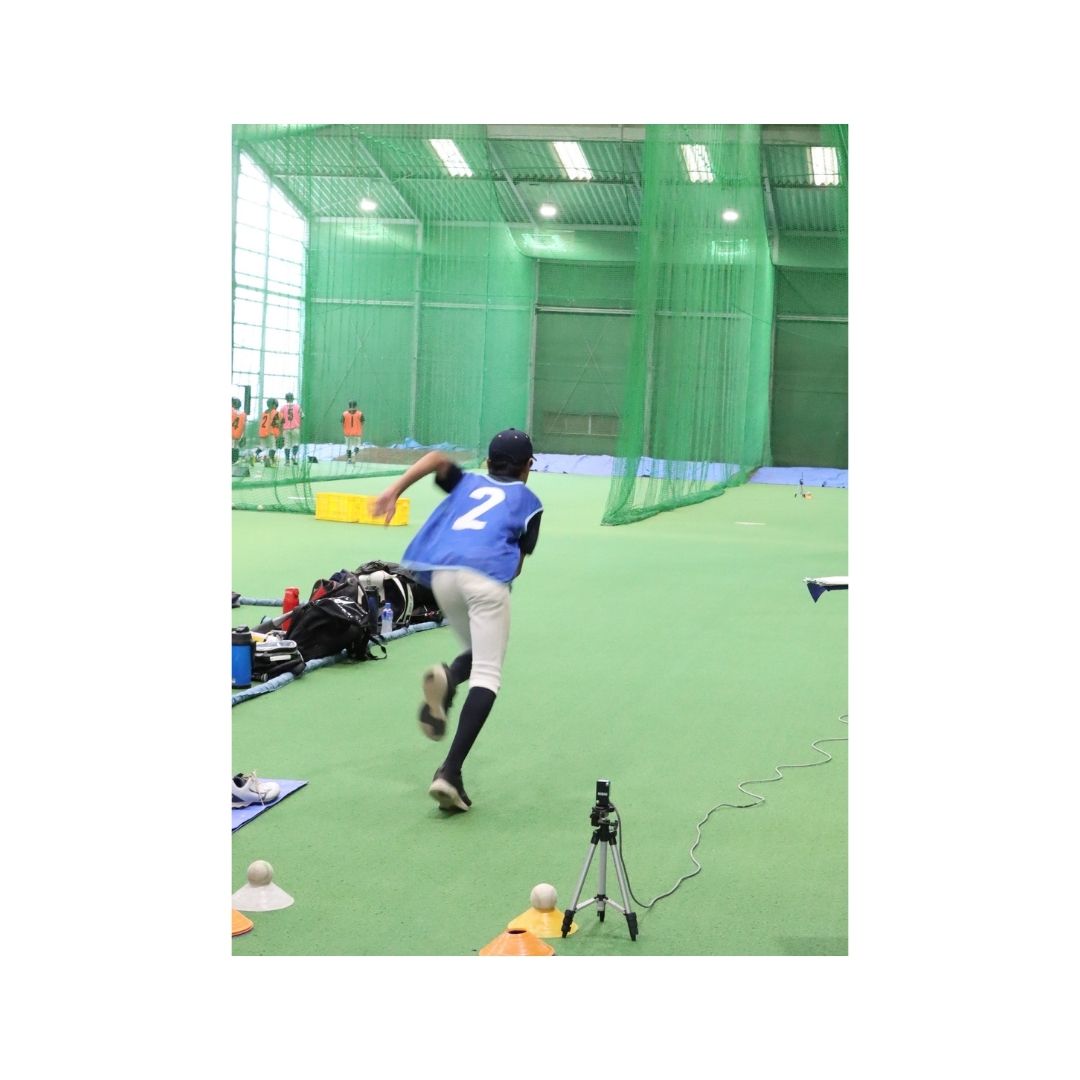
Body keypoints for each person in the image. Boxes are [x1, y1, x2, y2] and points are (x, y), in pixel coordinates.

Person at [371, 428, 542, 813]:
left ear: (488, 462)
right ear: (528, 466)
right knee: (488, 672)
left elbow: (435, 458)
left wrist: (393, 491)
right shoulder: (530, 503)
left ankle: (448, 679)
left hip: (442, 575)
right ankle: (450, 771)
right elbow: (515, 565)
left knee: (479, 651)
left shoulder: (467, 483)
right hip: (485, 580)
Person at [257, 398, 283, 466]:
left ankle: (254, 455)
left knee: (262, 446)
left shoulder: (264, 413)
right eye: (276, 405)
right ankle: (270, 459)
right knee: (273, 447)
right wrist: (279, 434)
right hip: (270, 432)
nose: (276, 407)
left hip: (262, 432)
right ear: (274, 405)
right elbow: (277, 424)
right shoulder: (276, 413)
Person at [281, 392, 304, 465]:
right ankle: (294, 456)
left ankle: (287, 461)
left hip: (286, 429)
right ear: (293, 398)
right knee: (295, 443)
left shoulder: (283, 407)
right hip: (295, 428)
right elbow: (302, 416)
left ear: (286, 399)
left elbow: (281, 419)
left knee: (287, 445)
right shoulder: (297, 406)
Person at [231, 398, 247, 464]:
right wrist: (244, 436)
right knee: (235, 446)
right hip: (238, 434)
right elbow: (244, 426)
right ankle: (234, 460)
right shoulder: (243, 414)